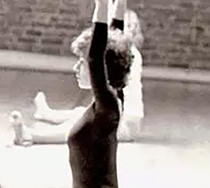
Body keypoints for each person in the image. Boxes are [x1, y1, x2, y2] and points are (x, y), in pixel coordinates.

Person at [0, 0, 132, 188]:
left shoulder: (109, 105)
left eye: (80, 63)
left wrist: (101, 4)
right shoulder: (112, 97)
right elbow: (117, 39)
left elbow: (96, 56)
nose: (76, 67)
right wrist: (119, 4)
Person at [11, 5, 144, 145]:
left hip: (127, 125)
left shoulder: (126, 55)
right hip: (122, 118)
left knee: (80, 123)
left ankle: (32, 135)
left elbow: (114, 27)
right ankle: (47, 114)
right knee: (79, 113)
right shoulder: (121, 51)